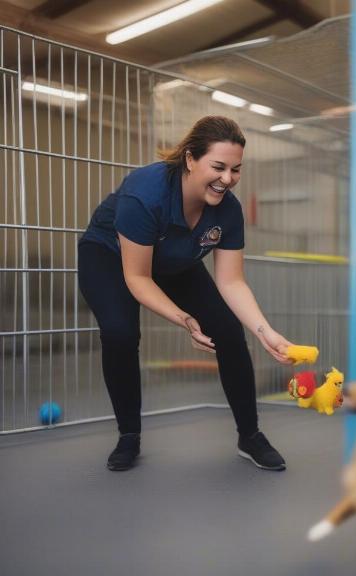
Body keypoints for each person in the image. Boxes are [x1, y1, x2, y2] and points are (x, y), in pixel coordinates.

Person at [78, 115, 293, 472]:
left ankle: (250, 435)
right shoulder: (144, 193)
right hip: (110, 256)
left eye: (236, 170)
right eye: (219, 167)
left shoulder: (229, 211)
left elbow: (232, 282)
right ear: (191, 159)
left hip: (172, 258)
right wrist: (186, 320)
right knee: (120, 331)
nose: (227, 179)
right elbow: (137, 277)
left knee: (227, 329)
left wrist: (265, 331)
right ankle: (129, 436)